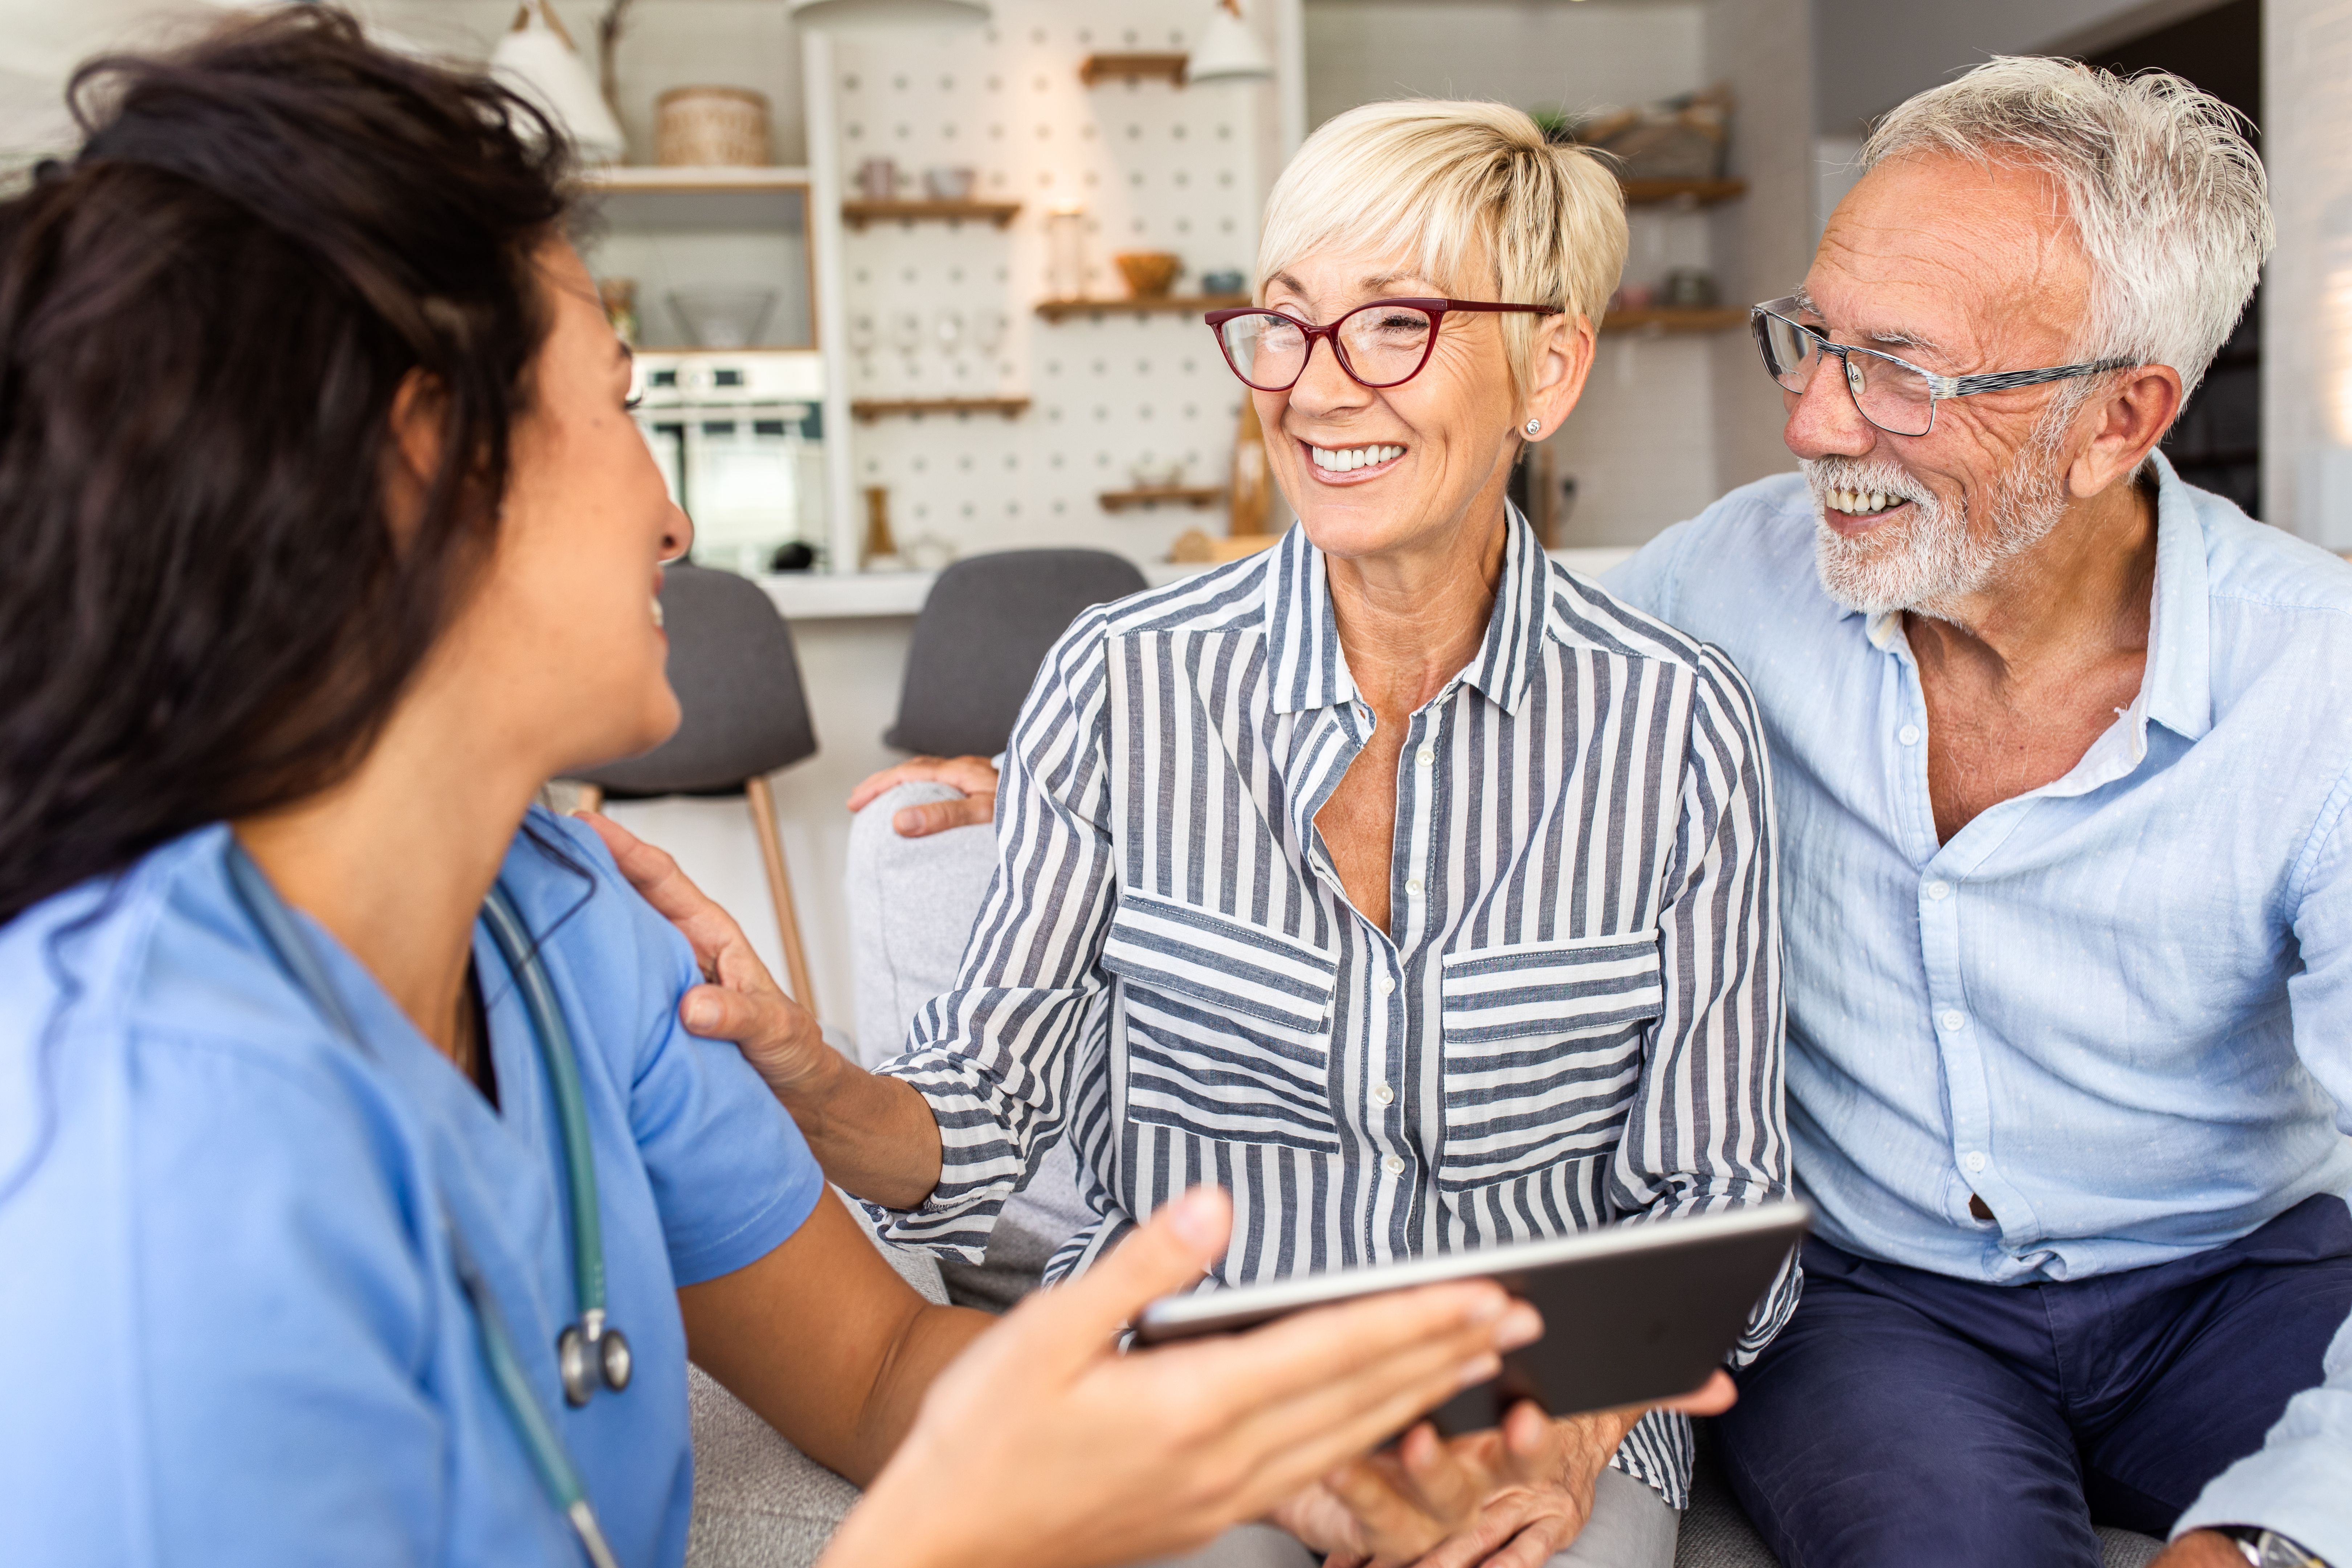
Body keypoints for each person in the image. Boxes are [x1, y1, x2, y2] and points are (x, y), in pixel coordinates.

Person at [0, 15, 1549, 1567]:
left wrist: (1264, 1439)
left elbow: (881, 1370)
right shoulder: (135, 1191)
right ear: (432, 475)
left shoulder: (571, 931)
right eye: (619, 409)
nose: (675, 520)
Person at [650, 98, 1785, 1568]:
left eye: (1395, 326)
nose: (1314, 390)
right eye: (1287, 324)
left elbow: (1721, 1198)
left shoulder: (1679, 726)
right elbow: (983, 1120)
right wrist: (817, 1083)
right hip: (1195, 1374)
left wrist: (1566, 1428)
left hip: (1537, 1396)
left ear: (1547, 370)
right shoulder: (1125, 680)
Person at [1596, 59, 2352, 1568]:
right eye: (1811, 341)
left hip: (2240, 1275)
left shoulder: (2322, 683)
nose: (1811, 423)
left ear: (2117, 419)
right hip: (1878, 1304)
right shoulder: (1720, 583)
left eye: (1899, 368)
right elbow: (1457, 677)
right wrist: (1045, 778)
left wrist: (2269, 1544)